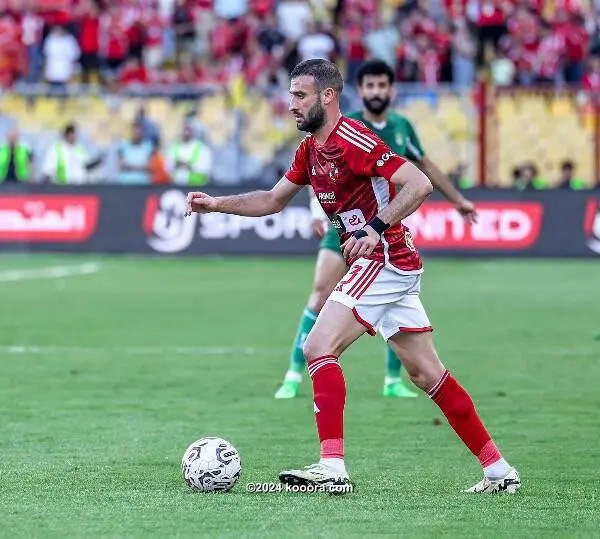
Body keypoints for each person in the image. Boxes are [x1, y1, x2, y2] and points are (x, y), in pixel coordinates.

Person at [185, 59, 520, 494]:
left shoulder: (354, 140)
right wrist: (216, 204)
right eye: (290, 95)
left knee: (318, 346)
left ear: (328, 96)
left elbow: (418, 183)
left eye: (300, 95)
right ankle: (499, 470)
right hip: (391, 263)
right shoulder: (309, 150)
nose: (292, 105)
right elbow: (271, 200)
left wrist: (374, 228)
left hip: (383, 259)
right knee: (426, 374)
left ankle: (332, 467)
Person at [274, 59, 477, 400]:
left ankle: (392, 380)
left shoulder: (400, 127)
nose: (376, 91)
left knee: (388, 296)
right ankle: (293, 373)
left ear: (391, 90)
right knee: (321, 293)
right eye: (369, 85)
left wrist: (457, 200)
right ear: (360, 90)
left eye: (382, 85)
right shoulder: (340, 125)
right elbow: (313, 172)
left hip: (377, 230)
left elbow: (422, 168)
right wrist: (314, 209)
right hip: (339, 226)